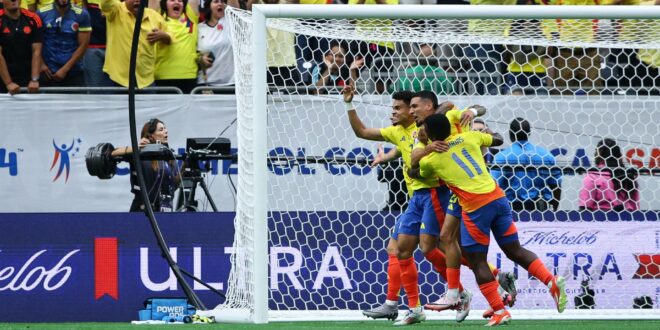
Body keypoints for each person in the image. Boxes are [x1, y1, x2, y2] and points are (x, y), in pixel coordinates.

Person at [410, 113, 567, 326]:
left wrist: (421, 145)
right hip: (499, 199)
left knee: (477, 261)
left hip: (476, 208)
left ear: (428, 133)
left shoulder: (432, 160)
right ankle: (551, 281)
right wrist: (485, 133)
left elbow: (414, 172)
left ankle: (500, 310)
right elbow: (500, 140)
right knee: (514, 250)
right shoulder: (470, 137)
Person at [490, 117, 562, 212]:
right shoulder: (546, 155)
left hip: (512, 208)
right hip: (540, 208)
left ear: (510, 133)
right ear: (529, 133)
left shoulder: (502, 156)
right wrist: (555, 204)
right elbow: (556, 184)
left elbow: (494, 185)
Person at [111, 118, 181, 212]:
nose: (166, 131)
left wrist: (185, 167)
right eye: (161, 129)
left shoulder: (169, 155)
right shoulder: (140, 153)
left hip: (165, 210)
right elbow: (113, 153)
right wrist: (137, 148)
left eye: (165, 128)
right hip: (142, 210)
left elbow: (173, 185)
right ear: (151, 136)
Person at [100, 0, 172, 89]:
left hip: (146, 80)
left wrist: (164, 36)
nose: (137, 0)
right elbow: (106, 3)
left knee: (150, 103)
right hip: (116, 79)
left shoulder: (154, 16)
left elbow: (170, 36)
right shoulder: (115, 10)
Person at [37, 0, 91, 87]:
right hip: (48, 72)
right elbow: (36, 42)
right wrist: (41, 64)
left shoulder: (82, 14)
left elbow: (83, 45)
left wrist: (65, 69)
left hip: (74, 71)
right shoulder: (41, 14)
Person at [579, 138, 639, 211]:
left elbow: (584, 208)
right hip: (628, 219)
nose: (594, 154)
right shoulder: (628, 176)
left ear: (600, 152)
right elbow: (635, 207)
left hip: (600, 219)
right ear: (619, 155)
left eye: (596, 151)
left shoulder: (592, 176)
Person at [153, 0, 200, 93]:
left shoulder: (190, 17)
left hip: (189, 76)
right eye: (172, 0)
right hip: (163, 77)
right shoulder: (156, 17)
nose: (177, 2)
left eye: (180, 1)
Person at [0, 0, 43, 95]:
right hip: (3, 78)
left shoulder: (33, 18)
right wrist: (8, 83)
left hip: (28, 78)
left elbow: (37, 51)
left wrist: (34, 79)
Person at [197, 0, 240, 87]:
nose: (220, 3)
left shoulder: (231, 23)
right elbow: (193, 54)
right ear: (209, 6)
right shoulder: (199, 28)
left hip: (231, 83)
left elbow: (235, 9)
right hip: (206, 84)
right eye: (216, 1)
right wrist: (200, 59)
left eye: (222, 1)